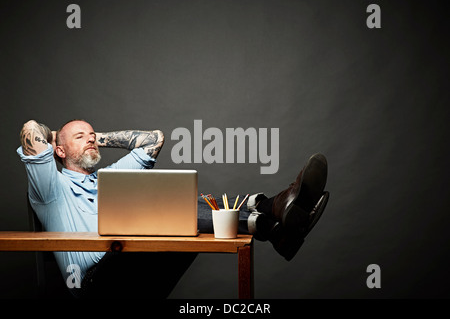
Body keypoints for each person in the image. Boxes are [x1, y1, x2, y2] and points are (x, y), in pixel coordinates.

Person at [17, 119, 329, 298]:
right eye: (80, 136)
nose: (90, 139)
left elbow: (153, 140)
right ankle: (274, 217)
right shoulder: (50, 189)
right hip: (98, 286)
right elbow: (31, 129)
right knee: (164, 209)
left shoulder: (110, 178)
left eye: (92, 134)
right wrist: (51, 136)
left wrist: (97, 138)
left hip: (134, 267)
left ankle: (271, 224)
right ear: (57, 149)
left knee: (168, 201)